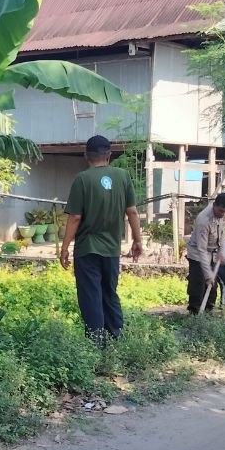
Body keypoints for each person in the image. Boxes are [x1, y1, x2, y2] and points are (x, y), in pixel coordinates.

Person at [60, 135, 143, 345]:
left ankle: (96, 343)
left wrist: (65, 247)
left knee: (91, 296)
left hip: (87, 250)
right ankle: (117, 338)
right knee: (109, 293)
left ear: (86, 156)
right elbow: (132, 212)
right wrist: (137, 240)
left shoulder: (82, 179)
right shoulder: (123, 176)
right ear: (109, 155)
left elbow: (75, 217)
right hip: (112, 250)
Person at [185, 192, 225, 313]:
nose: (223, 214)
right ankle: (195, 313)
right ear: (214, 205)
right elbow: (201, 249)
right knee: (199, 285)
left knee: (212, 285)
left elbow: (222, 232)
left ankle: (208, 311)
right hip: (198, 254)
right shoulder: (203, 220)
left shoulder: (223, 214)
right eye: (221, 211)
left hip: (213, 253)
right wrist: (207, 274)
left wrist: (222, 250)